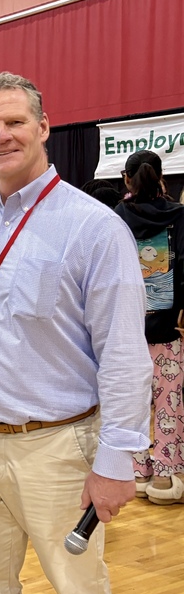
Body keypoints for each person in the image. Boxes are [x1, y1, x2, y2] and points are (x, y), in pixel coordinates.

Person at [0, 72, 150, 594]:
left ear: (43, 127)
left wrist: (117, 460)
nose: (2, 135)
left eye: (15, 122)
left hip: (58, 448)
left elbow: (125, 355)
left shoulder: (95, 228)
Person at [114, 150, 184, 504]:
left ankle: (138, 471)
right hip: (166, 331)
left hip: (124, 334)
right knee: (169, 404)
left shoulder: (114, 218)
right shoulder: (179, 217)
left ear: (126, 179)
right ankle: (166, 478)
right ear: (161, 178)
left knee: (133, 404)